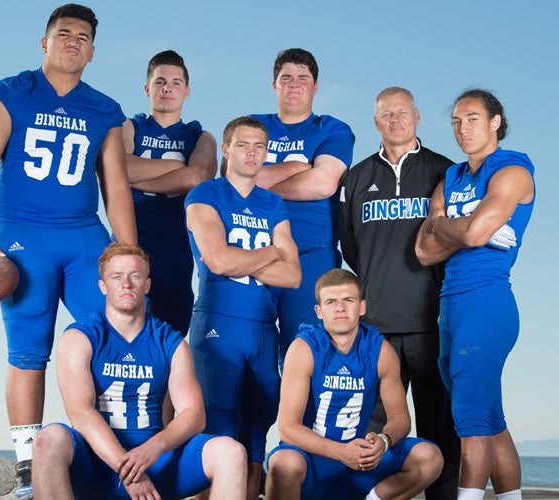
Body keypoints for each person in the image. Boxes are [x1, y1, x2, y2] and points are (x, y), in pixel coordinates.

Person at [0, 4, 137, 498]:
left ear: (93, 51)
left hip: (84, 234)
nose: (73, 42)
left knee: (115, 332)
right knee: (28, 348)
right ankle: (26, 469)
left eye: (83, 37)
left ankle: (112, 452)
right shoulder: (9, 93)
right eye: (64, 33)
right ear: (44, 43)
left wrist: (128, 251)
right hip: (22, 234)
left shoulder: (103, 108)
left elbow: (116, 187)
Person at [31, 243, 247, 499]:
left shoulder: (171, 342)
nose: (126, 284)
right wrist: (126, 468)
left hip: (155, 464)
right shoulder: (80, 337)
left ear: (147, 285)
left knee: (231, 452)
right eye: (116, 276)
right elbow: (80, 411)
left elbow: (194, 415)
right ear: (103, 286)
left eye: (135, 276)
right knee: (47, 439)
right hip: (96, 465)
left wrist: (152, 449)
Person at [339, 87, 460, 499]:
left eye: (402, 112)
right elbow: (351, 248)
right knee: (373, 436)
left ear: (417, 116)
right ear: (376, 122)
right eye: (386, 114)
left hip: (430, 323)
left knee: (440, 434)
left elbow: (454, 242)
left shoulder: (444, 171)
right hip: (376, 328)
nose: (395, 119)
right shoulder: (355, 177)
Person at [415, 89, 535, 500]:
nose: (462, 129)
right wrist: (465, 227)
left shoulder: (512, 170)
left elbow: (465, 232)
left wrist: (448, 222)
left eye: (472, 119)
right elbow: (423, 249)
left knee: (467, 417)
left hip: (487, 303)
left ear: (495, 122)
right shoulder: (452, 177)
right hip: (450, 306)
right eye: (456, 122)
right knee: (490, 419)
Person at [185, 116, 301, 499]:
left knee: (255, 436)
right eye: (243, 145)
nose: (252, 153)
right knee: (216, 432)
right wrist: (270, 253)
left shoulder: (273, 203)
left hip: (264, 329)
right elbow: (218, 261)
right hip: (218, 324)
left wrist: (245, 258)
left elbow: (294, 275)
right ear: (227, 149)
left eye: (259, 147)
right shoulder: (205, 195)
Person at [266, 269, 443, 500]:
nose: (340, 308)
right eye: (331, 301)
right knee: (282, 463)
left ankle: (373, 498)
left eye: (348, 300)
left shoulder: (380, 351)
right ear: (319, 312)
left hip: (359, 461)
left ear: (362, 307)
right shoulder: (305, 349)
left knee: (429, 456)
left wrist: (384, 440)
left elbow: (400, 418)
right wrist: (341, 452)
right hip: (314, 460)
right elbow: (288, 428)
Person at [250, 48, 355, 365]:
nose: (294, 84)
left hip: (311, 254)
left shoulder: (331, 128)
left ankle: (304, 417)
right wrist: (300, 166)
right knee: (251, 356)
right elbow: (230, 176)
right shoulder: (253, 126)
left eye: (303, 77)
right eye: (286, 77)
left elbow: (323, 183)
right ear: (274, 85)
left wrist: (257, 184)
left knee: (306, 355)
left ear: (315, 86)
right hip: (255, 252)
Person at [123, 49, 217, 336]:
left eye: (176, 82)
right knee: (120, 332)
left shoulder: (200, 136)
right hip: (129, 239)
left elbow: (198, 177)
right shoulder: (129, 126)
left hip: (176, 247)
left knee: (169, 339)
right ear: (147, 88)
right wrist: (176, 169)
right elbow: (120, 169)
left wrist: (137, 179)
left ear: (187, 91)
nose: (167, 88)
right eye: (160, 81)